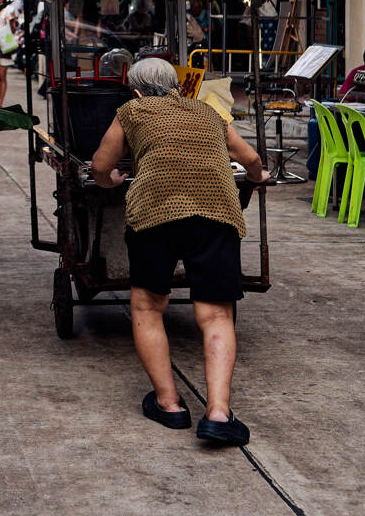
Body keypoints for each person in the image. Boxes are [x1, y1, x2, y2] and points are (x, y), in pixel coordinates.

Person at [91, 57, 270, 446]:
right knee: (216, 313)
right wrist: (259, 176)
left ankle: (169, 404)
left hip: (154, 211)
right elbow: (251, 159)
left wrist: (110, 181)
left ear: (135, 91)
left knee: (148, 306)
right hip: (216, 211)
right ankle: (218, 415)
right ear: (178, 86)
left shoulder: (132, 111)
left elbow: (100, 165)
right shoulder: (207, 111)